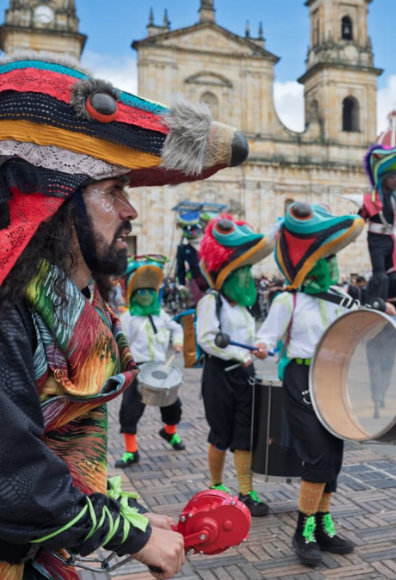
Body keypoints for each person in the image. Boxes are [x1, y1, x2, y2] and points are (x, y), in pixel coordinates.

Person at [0, 55, 248, 579]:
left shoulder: (62, 304)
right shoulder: (7, 314)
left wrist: (118, 511)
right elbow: (14, 474)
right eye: (113, 192)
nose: (131, 212)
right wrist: (130, 537)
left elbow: (57, 459)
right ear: (57, 201)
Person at [255, 202, 371, 566]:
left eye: (331, 258)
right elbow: (268, 338)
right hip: (300, 376)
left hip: (333, 379)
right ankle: (303, 530)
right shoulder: (287, 300)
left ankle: (323, 525)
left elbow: (356, 334)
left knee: (333, 456)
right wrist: (260, 347)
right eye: (325, 258)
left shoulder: (340, 299)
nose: (330, 264)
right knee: (317, 454)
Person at [196, 215, 275, 517]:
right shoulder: (211, 302)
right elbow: (207, 338)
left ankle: (247, 491)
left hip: (246, 376)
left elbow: (250, 339)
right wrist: (237, 355)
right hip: (220, 377)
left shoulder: (242, 308)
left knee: (245, 434)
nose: (247, 278)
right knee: (220, 433)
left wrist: (259, 349)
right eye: (242, 272)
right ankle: (217, 486)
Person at [116, 255, 186, 468]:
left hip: (160, 368)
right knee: (129, 410)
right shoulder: (128, 318)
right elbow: (120, 340)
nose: (146, 296)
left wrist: (178, 342)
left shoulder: (162, 316)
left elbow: (176, 327)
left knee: (173, 406)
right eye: (141, 292)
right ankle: (131, 451)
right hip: (138, 370)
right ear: (134, 295)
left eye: (150, 292)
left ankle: (169, 432)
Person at [359, 143, 396, 311]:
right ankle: (377, 308)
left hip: (390, 241)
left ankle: (393, 309)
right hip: (376, 241)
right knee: (381, 278)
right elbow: (360, 218)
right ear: (383, 179)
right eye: (392, 178)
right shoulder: (370, 199)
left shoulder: (394, 200)